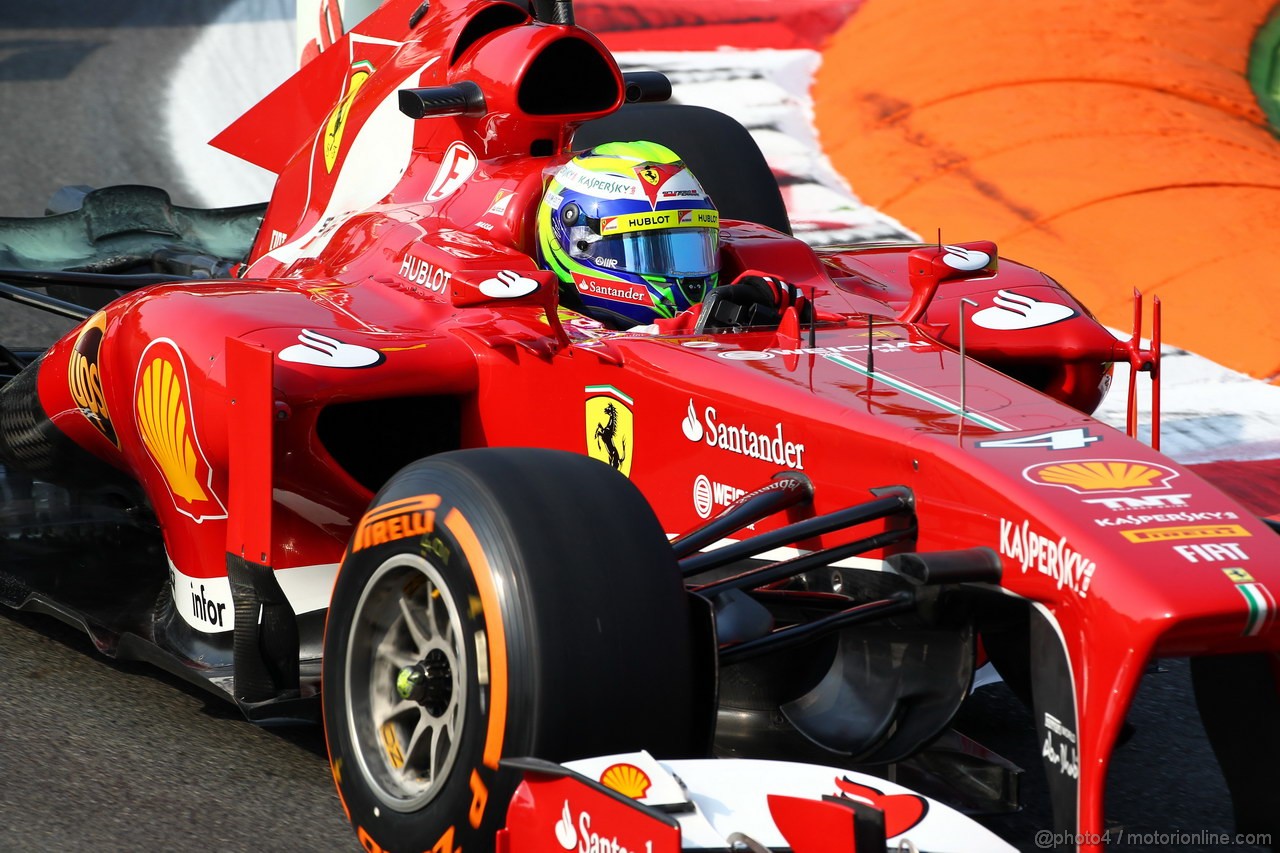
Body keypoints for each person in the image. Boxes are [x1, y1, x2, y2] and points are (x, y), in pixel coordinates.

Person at [537, 141, 810, 332]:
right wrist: (698, 322)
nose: (683, 275)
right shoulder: (541, 332)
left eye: (691, 248)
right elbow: (598, 345)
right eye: (645, 251)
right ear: (579, 244)